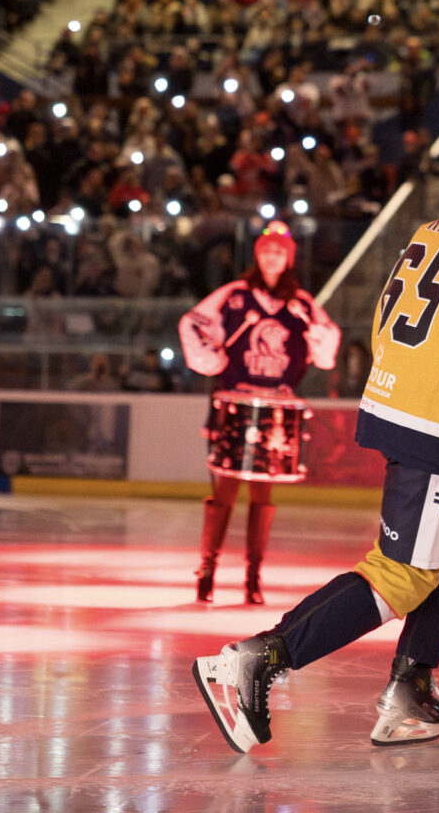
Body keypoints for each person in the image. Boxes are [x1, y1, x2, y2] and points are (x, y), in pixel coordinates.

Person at [192, 131, 439, 753]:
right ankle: (259, 657)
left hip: (406, 395)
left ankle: (410, 685)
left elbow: (391, 309)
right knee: (404, 574)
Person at [179, 222, 339, 605]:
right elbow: (193, 323)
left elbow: (326, 343)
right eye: (267, 250)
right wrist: (211, 359)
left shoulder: (300, 303)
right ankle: (208, 571)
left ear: (289, 259)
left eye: (280, 251)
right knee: (225, 492)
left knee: (262, 495)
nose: (273, 256)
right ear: (257, 253)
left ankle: (253, 575)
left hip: (275, 411)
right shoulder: (234, 295)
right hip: (235, 403)